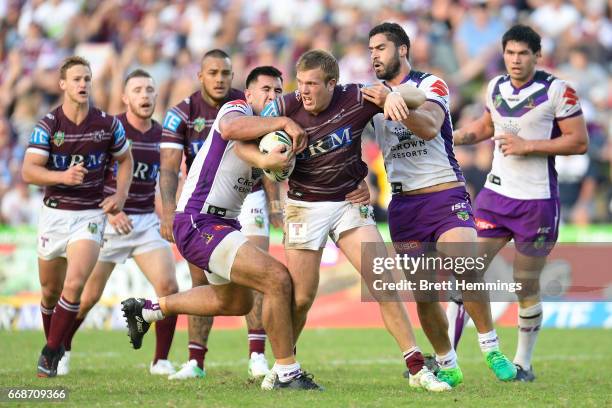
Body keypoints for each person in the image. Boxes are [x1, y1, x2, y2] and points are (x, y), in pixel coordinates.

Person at [252, 49, 451, 392]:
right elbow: (249, 133)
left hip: (348, 204)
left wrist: (393, 95)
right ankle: (283, 365)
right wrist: (273, 151)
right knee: (300, 298)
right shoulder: (285, 106)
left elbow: (420, 97)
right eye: (300, 84)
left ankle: (417, 369)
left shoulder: (358, 97)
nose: (305, 91)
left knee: (384, 284)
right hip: (304, 206)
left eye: (313, 84)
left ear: (333, 84)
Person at [122, 66, 322, 390]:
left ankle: (148, 310)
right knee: (277, 279)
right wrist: (284, 122)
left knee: (235, 303)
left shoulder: (264, 136)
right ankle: (287, 372)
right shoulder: (235, 109)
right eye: (266, 90)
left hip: (222, 222)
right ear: (249, 95)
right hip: (199, 219)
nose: (272, 96)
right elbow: (230, 130)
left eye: (277, 91)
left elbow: (251, 153)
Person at [364, 22, 516, 386]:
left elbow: (431, 126)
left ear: (402, 50)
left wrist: (393, 103)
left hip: (444, 193)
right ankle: (447, 362)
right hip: (403, 205)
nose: (374, 56)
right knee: (426, 293)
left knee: (465, 263)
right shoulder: (370, 97)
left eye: (381, 48)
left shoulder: (431, 84)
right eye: (371, 50)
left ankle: (490, 346)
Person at [451, 24, 588, 382]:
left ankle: (524, 363)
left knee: (525, 284)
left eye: (523, 53)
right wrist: (451, 137)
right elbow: (485, 126)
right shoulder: (494, 86)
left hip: (537, 202)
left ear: (537, 56)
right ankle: (447, 358)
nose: (515, 60)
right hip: (495, 197)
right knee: (465, 269)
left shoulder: (558, 91)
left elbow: (578, 142)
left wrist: (528, 146)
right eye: (510, 53)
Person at [57, 69, 179, 376]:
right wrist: (112, 209)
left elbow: (164, 179)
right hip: (108, 222)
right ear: (125, 97)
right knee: (85, 298)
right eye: (138, 90)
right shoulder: (109, 130)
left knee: (169, 288)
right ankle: (61, 350)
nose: (145, 96)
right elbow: (85, 177)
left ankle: (161, 360)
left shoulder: (162, 135)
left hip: (144, 224)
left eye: (150, 90)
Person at [160, 49, 273, 379]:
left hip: (248, 198)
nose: (220, 79)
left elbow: (266, 160)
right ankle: (196, 361)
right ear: (201, 76)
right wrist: (168, 211)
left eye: (226, 73)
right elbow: (168, 168)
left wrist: (277, 205)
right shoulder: (181, 113)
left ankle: (257, 355)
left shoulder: (249, 105)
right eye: (213, 73)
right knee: (200, 281)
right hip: (202, 202)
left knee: (256, 271)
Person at [22, 56, 133, 378]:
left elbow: (126, 160)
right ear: (63, 85)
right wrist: (62, 177)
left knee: (74, 284)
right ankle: (55, 345)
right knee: (49, 292)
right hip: (54, 215)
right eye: (76, 79)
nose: (83, 84)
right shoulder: (49, 124)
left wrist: (120, 195)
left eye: (87, 78)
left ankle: (48, 354)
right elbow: (29, 170)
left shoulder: (107, 124)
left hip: (90, 214)